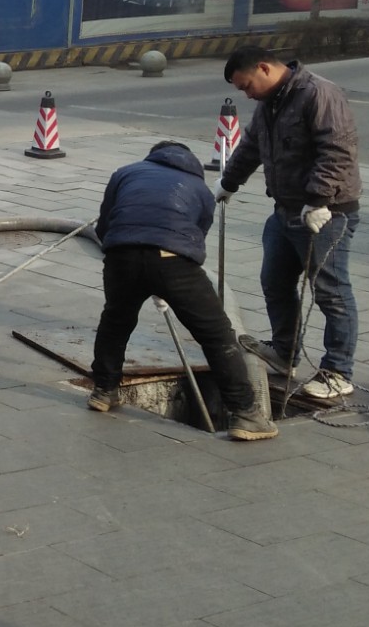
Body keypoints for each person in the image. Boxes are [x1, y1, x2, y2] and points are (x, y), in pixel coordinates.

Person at [89, 140, 278, 441]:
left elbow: (103, 226)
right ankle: (246, 413)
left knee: (116, 321)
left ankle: (103, 390)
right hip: (173, 261)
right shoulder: (200, 189)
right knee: (216, 334)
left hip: (121, 255)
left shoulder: (125, 173)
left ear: (154, 155)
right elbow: (195, 238)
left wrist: (140, 269)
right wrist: (162, 276)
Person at [217, 46, 362, 400]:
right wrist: (228, 183)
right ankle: (285, 353)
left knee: (330, 292)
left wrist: (319, 199)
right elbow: (251, 146)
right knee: (275, 281)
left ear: (264, 68)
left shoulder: (319, 94)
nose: (247, 95)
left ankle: (338, 371)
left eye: (247, 86)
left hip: (327, 213)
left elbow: (337, 150)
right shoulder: (270, 103)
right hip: (285, 210)